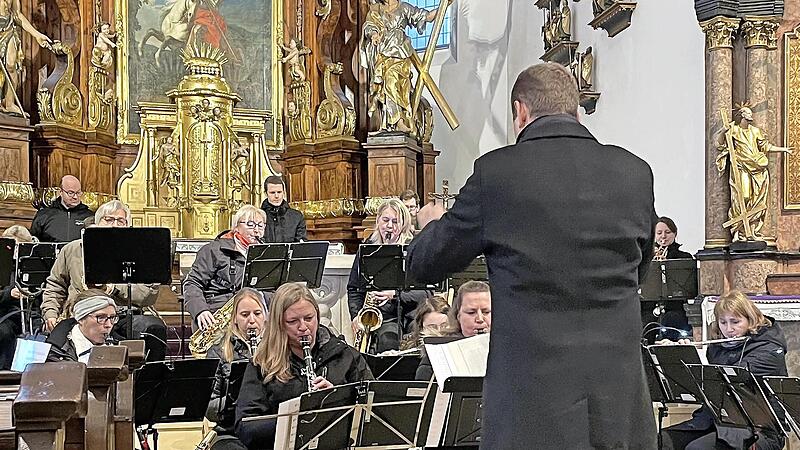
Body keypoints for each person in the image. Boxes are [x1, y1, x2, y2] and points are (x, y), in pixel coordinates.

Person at [406, 63, 658, 448]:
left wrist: (430, 223)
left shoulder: (497, 174)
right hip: (619, 404)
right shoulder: (634, 173)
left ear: (520, 111)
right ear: (575, 109)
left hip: (531, 408)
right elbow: (639, 269)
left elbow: (425, 264)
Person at [235, 283, 373, 448]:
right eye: (293, 321)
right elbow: (246, 427)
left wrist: (336, 400)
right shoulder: (262, 363)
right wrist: (295, 418)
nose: (303, 327)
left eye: (309, 318)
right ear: (279, 324)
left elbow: (372, 409)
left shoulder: (345, 355)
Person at [40, 200, 167, 361]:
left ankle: (149, 383)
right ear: (97, 222)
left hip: (121, 316)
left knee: (153, 328)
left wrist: (114, 288)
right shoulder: (72, 249)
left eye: (120, 221)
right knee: (56, 342)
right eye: (108, 220)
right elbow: (55, 286)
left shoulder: (138, 252)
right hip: (79, 315)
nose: (114, 225)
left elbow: (147, 296)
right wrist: (50, 313)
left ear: (128, 226)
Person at [662, 291, 787, 450]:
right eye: (723, 322)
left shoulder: (769, 349)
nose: (729, 329)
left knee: (698, 448)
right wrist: (681, 354)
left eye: (735, 322)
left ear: (750, 319)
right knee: (662, 440)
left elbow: (730, 375)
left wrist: (696, 363)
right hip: (717, 421)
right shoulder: (718, 347)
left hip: (758, 429)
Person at [348, 198, 430, 353]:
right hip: (384, 317)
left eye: (395, 221)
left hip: (412, 315)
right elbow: (354, 288)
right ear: (378, 220)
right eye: (385, 220)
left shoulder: (415, 249)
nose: (389, 226)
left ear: (404, 223)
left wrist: (395, 294)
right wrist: (356, 316)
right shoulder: (368, 248)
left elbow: (427, 292)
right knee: (387, 340)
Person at [183, 204, 266, 331]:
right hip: (216, 312)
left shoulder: (266, 254)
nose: (256, 230)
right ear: (236, 227)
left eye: (260, 225)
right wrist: (200, 311)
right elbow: (192, 283)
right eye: (250, 224)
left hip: (253, 314)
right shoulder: (213, 250)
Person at [715, 105, 791, 242]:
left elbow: (765, 147)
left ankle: (750, 230)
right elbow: (719, 144)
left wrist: (783, 149)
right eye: (748, 113)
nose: (751, 116)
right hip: (741, 167)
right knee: (742, 196)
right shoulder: (734, 130)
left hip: (757, 169)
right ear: (742, 115)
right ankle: (737, 230)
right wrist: (723, 131)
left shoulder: (755, 131)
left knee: (756, 199)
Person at [205, 288, 267, 450]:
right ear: (234, 319)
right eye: (245, 315)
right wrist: (233, 400)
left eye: (257, 313)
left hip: (268, 427)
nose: (252, 320)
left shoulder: (276, 349)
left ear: (266, 317)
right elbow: (208, 406)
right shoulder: (218, 352)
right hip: (230, 431)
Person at [415, 281, 491, 380]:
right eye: (471, 312)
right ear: (458, 316)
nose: (480, 319)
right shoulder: (439, 352)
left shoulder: (510, 348)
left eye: (486, 312)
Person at [645, 216, 694, 342]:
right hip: (650, 305)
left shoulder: (683, 257)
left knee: (673, 319)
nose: (663, 236)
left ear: (675, 234)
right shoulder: (646, 257)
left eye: (667, 232)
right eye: (659, 233)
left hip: (674, 306)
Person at [46, 289, 117, 362]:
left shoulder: (118, 344)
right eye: (101, 317)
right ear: (80, 319)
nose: (108, 325)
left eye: (112, 318)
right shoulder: (55, 353)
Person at [0, 225, 34, 368]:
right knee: (4, 331)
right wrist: (9, 293)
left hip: (30, 312)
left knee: (40, 332)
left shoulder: (33, 264)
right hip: (4, 312)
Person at [30, 175, 94, 243]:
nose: (75, 197)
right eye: (71, 193)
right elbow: (33, 242)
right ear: (60, 192)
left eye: (78, 193)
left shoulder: (89, 216)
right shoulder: (44, 215)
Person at [259, 176, 306, 243]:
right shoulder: (258, 216)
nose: (276, 196)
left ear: (284, 192)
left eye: (279, 192)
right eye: (272, 192)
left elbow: (301, 244)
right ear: (266, 193)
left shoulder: (296, 216)